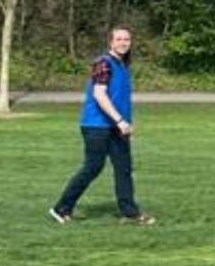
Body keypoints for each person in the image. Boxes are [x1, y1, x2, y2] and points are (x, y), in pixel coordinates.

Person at [50, 25, 153, 225]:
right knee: (92, 167)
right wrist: (120, 120)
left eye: (127, 40)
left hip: (117, 127)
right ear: (110, 42)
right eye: (119, 39)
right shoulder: (102, 63)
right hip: (96, 126)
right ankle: (60, 208)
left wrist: (123, 123)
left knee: (123, 168)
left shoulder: (122, 65)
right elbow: (99, 94)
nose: (123, 43)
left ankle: (130, 213)